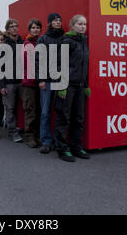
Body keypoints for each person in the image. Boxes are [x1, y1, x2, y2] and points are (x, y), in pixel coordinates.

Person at [54, 14, 91, 162]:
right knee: (64, 118)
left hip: (80, 86)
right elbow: (59, 65)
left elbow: (84, 66)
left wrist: (86, 85)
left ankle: (76, 147)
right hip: (67, 86)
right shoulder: (66, 41)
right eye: (80, 24)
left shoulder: (84, 42)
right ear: (72, 25)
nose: (82, 26)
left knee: (78, 118)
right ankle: (62, 149)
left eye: (84, 24)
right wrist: (61, 86)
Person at [35, 13, 65, 154]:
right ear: (49, 23)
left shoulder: (65, 38)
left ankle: (59, 141)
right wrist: (40, 79)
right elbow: (37, 61)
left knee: (60, 111)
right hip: (46, 80)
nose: (58, 22)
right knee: (45, 112)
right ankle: (46, 141)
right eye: (55, 20)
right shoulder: (43, 39)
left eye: (60, 20)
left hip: (60, 79)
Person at [0, 19, 24, 143]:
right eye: (11, 26)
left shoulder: (22, 42)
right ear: (8, 29)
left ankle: (15, 127)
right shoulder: (4, 45)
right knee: (10, 108)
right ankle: (12, 132)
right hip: (8, 82)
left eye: (16, 26)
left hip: (21, 81)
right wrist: (1, 86)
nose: (14, 28)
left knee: (24, 106)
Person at [22, 19, 42, 148]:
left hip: (40, 82)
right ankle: (29, 136)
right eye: (33, 28)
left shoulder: (41, 42)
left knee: (39, 111)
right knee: (30, 110)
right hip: (29, 82)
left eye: (38, 28)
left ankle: (37, 135)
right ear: (29, 30)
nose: (36, 30)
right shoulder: (26, 44)